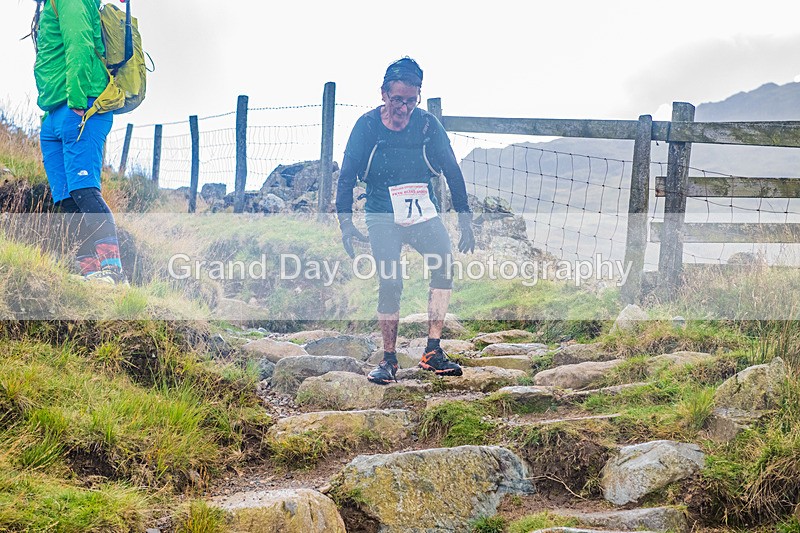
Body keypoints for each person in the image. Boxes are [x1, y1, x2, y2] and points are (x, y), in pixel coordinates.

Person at [336, 57, 475, 385]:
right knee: (391, 280)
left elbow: (452, 171)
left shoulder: (427, 126)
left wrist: (465, 219)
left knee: (444, 264)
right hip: (382, 212)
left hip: (421, 211)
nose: (404, 108)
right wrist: (345, 223)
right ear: (383, 94)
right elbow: (346, 176)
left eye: (412, 100)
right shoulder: (366, 127)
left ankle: (432, 351)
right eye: (397, 99)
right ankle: (388, 359)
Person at [31, 0, 127, 285]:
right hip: (54, 113)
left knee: (85, 191)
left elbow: (80, 46)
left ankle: (114, 272)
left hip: (80, 105)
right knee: (67, 200)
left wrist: (75, 99)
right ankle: (91, 273)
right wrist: (52, 113)